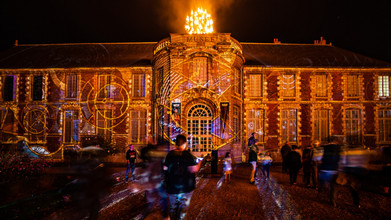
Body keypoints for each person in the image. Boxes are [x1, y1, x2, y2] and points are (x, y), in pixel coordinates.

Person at [163, 134, 202, 220]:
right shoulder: (188, 155)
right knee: (183, 210)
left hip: (172, 187)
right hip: (186, 188)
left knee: (173, 208)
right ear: (184, 143)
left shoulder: (169, 155)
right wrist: (200, 163)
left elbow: (164, 168)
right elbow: (194, 169)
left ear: (176, 144)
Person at [137, 141, 170, 219]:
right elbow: (152, 168)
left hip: (153, 181)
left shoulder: (154, 155)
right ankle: (164, 215)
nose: (165, 149)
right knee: (163, 197)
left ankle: (144, 215)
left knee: (152, 201)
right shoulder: (158, 156)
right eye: (164, 147)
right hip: (155, 181)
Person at [318, 143, 341, 207]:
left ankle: (323, 194)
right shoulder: (337, 153)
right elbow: (339, 161)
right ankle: (333, 200)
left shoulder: (325, 153)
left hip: (325, 170)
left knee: (324, 183)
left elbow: (322, 161)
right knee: (333, 186)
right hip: (334, 171)